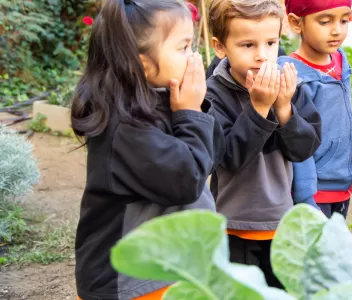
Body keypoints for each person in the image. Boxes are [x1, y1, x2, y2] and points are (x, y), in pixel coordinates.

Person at [71, 1, 224, 299]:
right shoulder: (125, 128)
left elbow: (212, 156)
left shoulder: (163, 99)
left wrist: (196, 109)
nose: (193, 57)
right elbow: (187, 180)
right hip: (129, 281)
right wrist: (190, 113)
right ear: (143, 64)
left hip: (167, 268)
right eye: (182, 47)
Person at [206, 0, 322, 288]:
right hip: (233, 225)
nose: (262, 55)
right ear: (220, 47)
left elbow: (304, 150)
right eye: (247, 45)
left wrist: (284, 110)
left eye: (271, 43)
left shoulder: (288, 85)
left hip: (282, 222)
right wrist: (258, 109)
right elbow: (229, 157)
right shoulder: (212, 94)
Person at [282, 0, 352, 218]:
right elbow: (297, 142)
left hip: (343, 184)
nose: (337, 30)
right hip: (314, 191)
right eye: (324, 21)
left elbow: (345, 115)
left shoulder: (340, 59)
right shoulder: (293, 75)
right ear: (296, 22)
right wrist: (305, 199)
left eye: (344, 20)